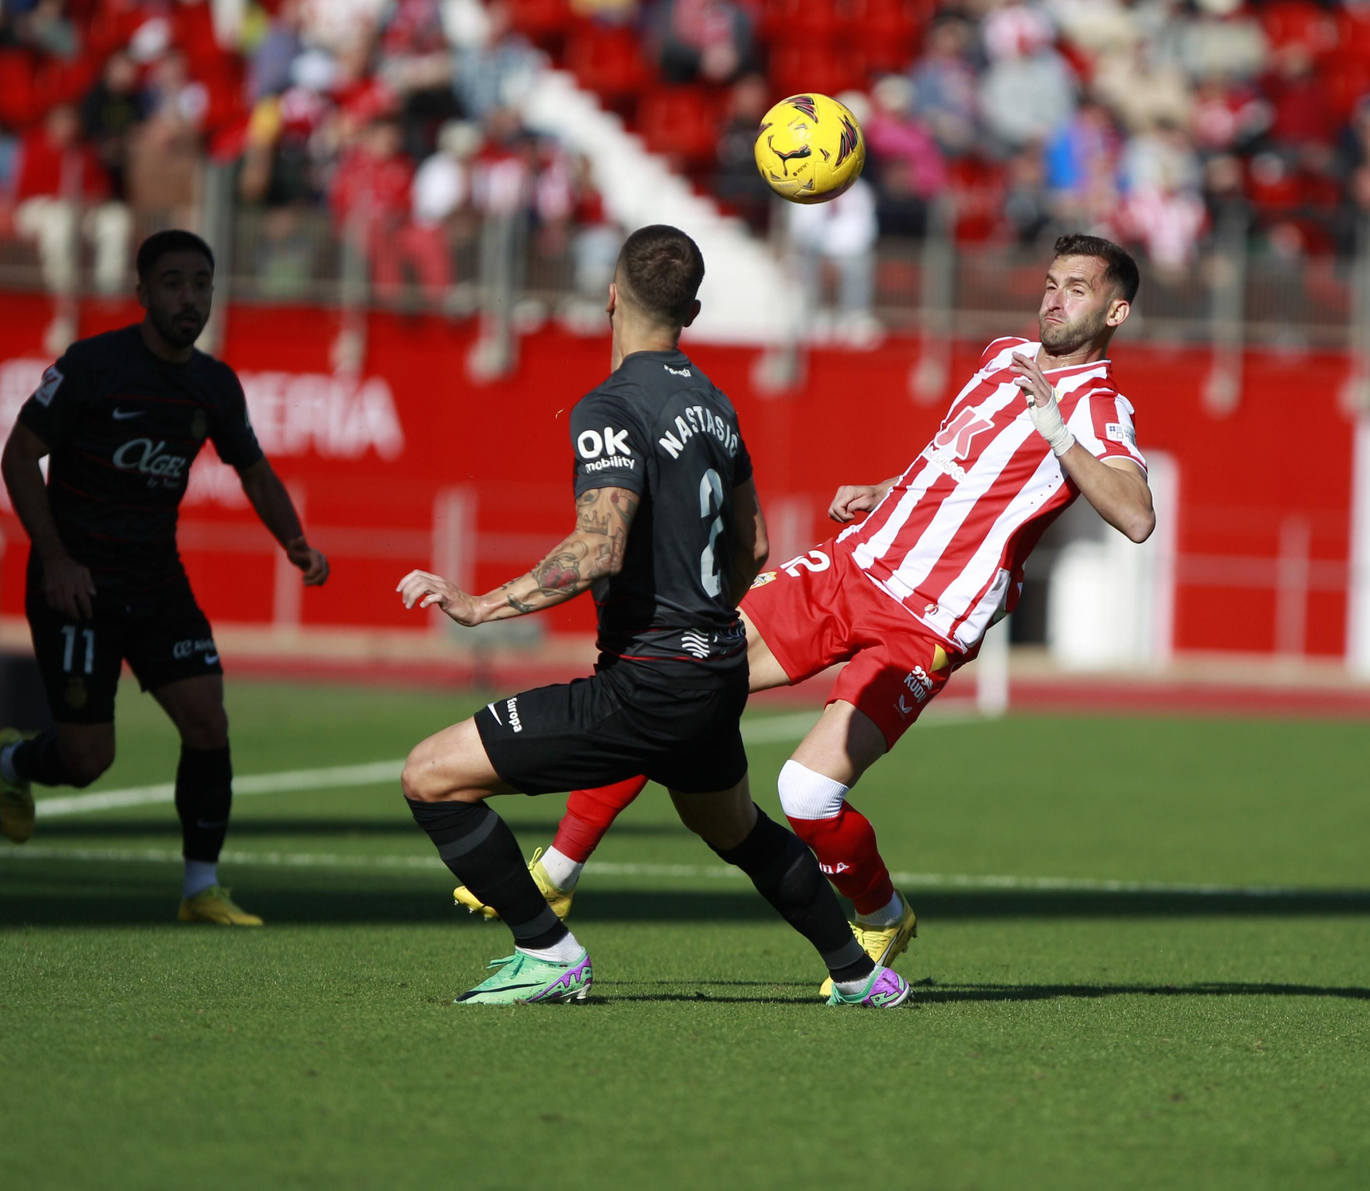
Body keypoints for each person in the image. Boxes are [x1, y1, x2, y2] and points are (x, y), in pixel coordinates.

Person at [458, 232, 1157, 994]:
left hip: (925, 620)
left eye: (1078, 289)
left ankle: (882, 914)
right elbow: (957, 460)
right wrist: (888, 490)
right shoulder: (1002, 355)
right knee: (684, 673)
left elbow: (1136, 515)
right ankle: (558, 870)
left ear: (1116, 311)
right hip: (851, 565)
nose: (1056, 298)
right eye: (1052, 282)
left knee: (807, 795)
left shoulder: (1097, 407)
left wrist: (1060, 434)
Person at [396, 224, 909, 1007]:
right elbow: (756, 545)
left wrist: (478, 606)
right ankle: (857, 972)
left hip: (651, 680)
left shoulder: (612, 405)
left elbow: (598, 548)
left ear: (610, 296)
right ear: (692, 311)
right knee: (735, 829)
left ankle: (548, 949)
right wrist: (704, 622)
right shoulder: (715, 403)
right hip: (715, 665)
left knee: (430, 777)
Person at [0, 230, 331, 925]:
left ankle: (199, 889)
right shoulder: (92, 365)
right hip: (77, 582)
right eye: (173, 283)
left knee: (207, 718)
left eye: (201, 283)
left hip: (155, 580)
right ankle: (18, 764)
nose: (189, 298)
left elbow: (254, 472)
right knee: (88, 760)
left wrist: (295, 542)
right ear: (143, 292)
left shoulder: (213, 384)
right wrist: (55, 558)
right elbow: (20, 456)